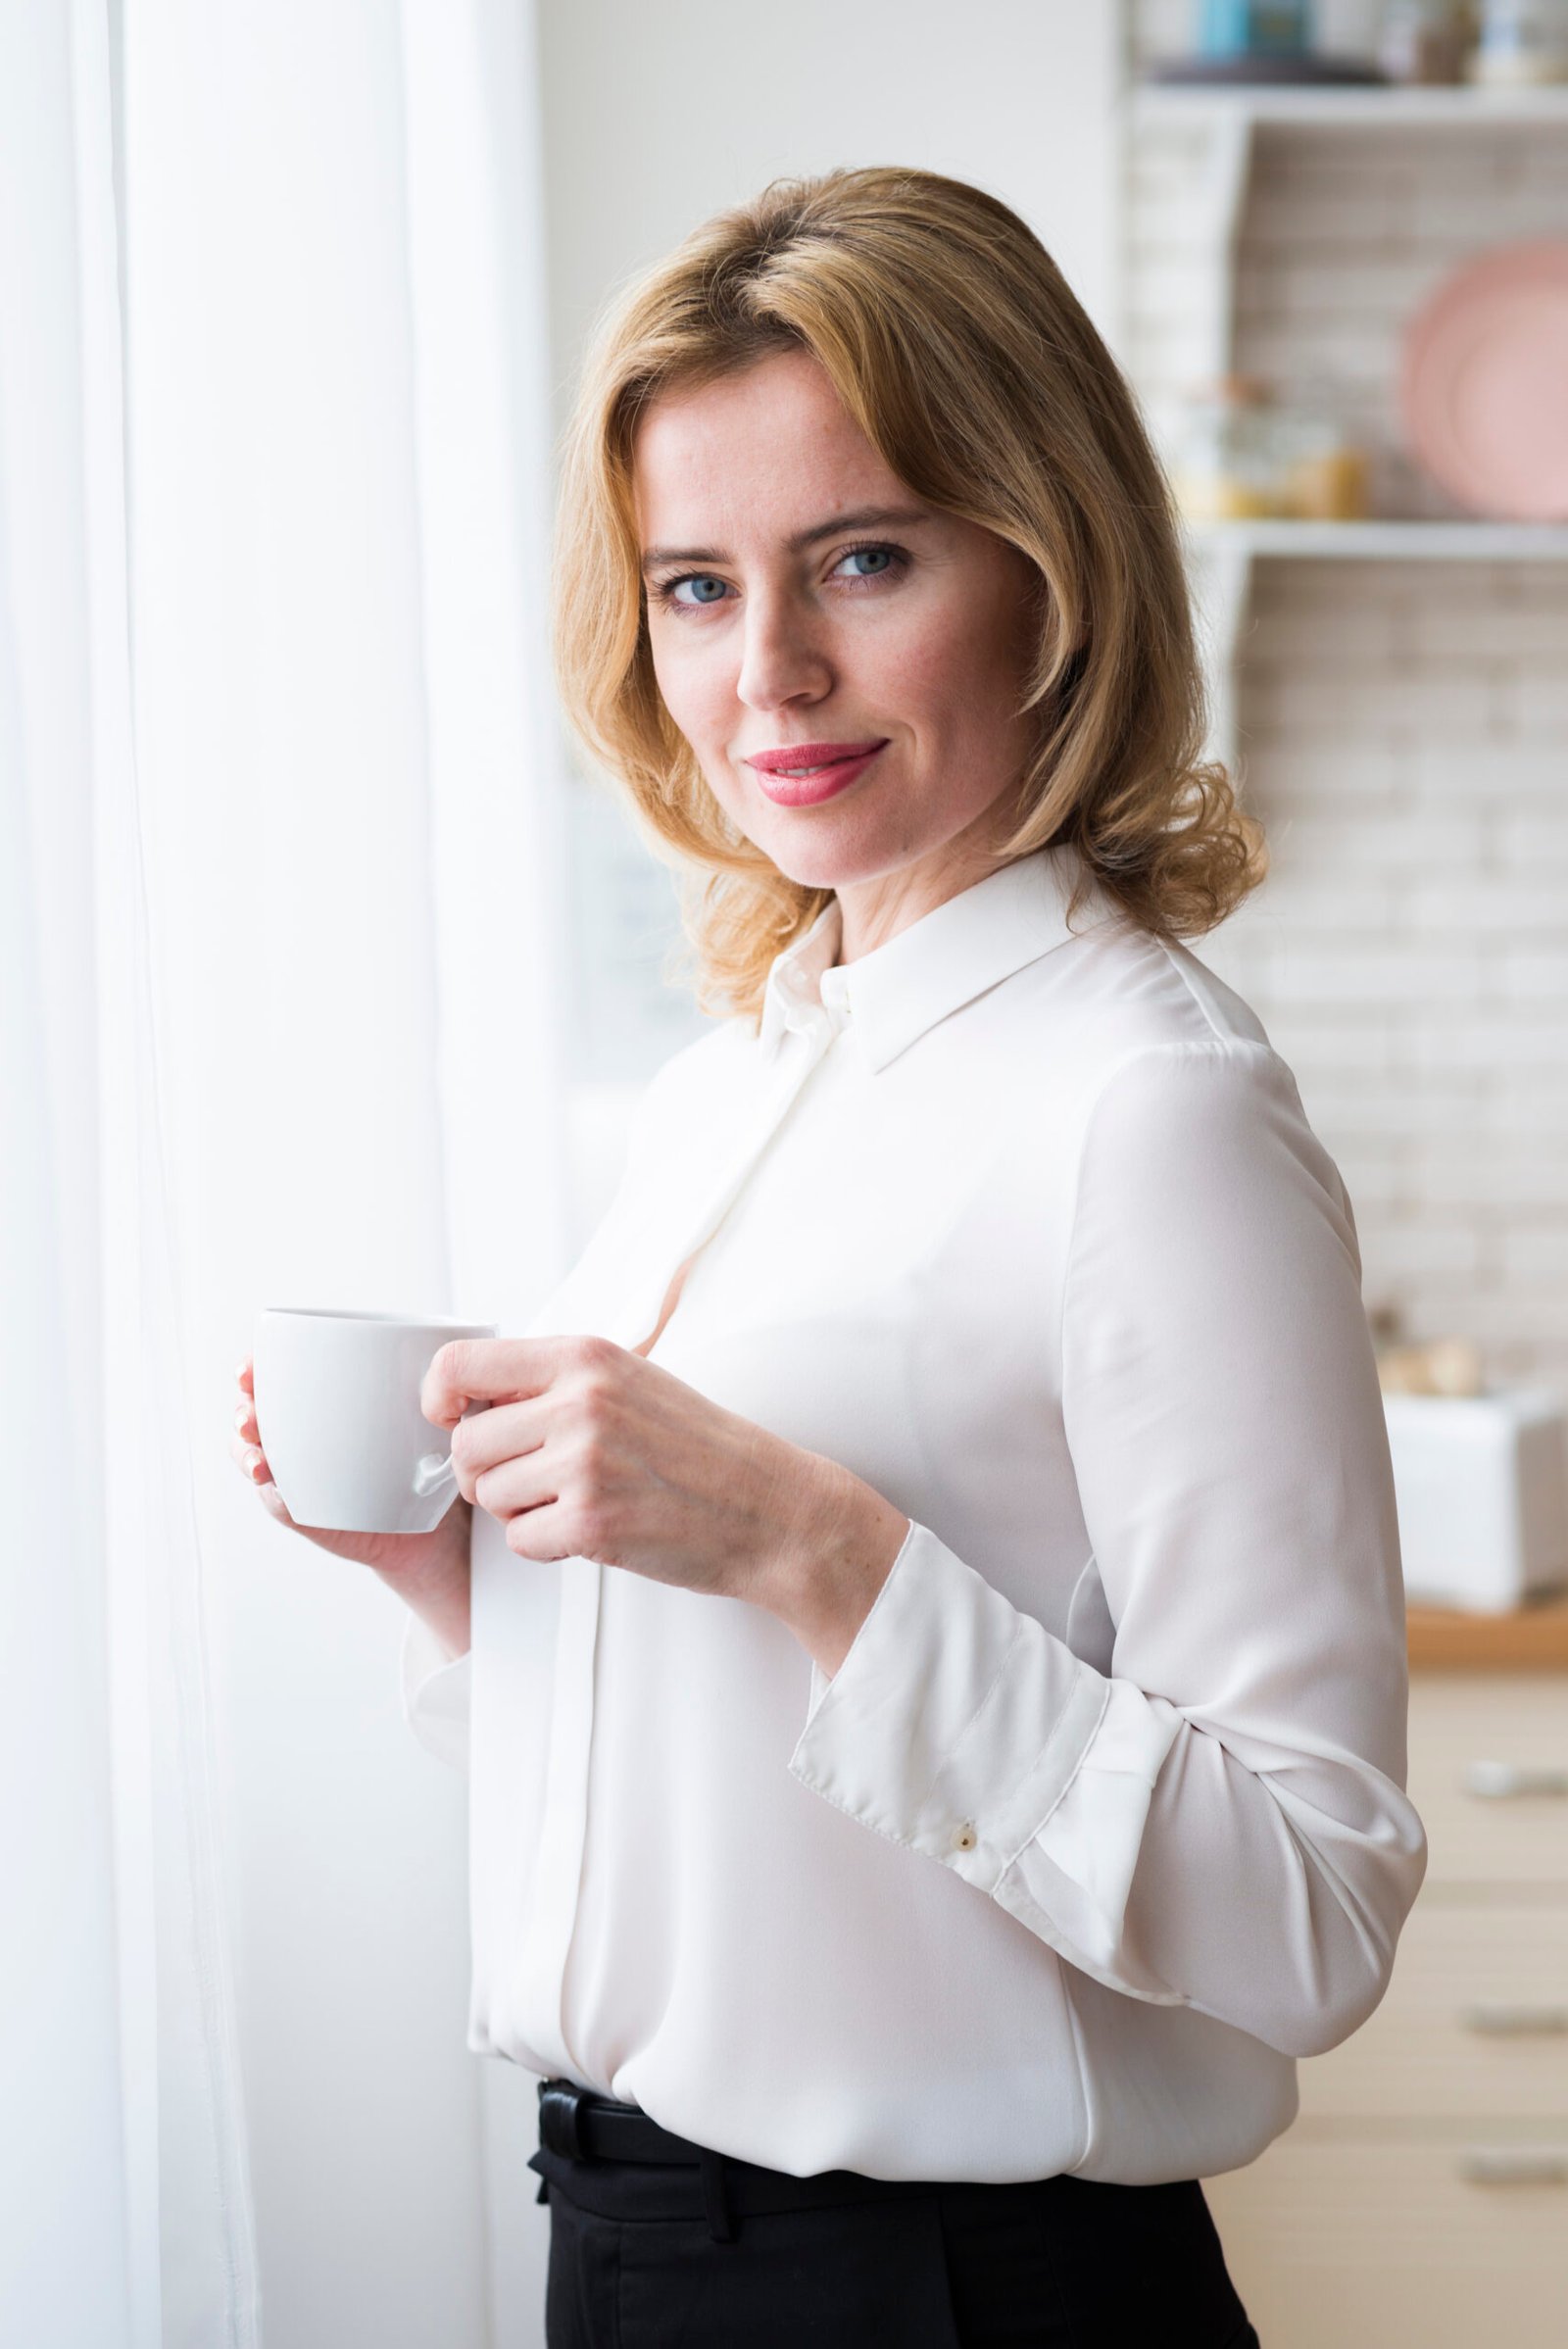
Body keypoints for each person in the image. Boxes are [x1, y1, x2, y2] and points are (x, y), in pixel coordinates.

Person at [231, 165, 1428, 2347]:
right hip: (637, 2249)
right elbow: (771, 1831)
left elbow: (1314, 1904)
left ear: (1045, 570)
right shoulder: (738, 1080)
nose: (763, 669)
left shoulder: (1143, 1105)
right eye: (693, 584)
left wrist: (808, 1540)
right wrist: (465, 1599)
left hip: (942, 2291)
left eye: (858, 560)